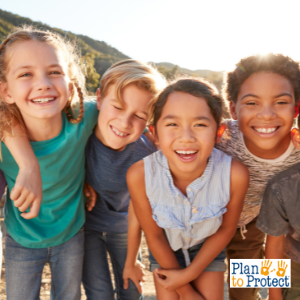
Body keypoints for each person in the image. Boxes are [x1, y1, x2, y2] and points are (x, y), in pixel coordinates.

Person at [126, 78, 249, 300]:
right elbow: (153, 235)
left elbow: (229, 230)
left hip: (245, 230)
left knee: (251, 285)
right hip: (173, 238)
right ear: (155, 132)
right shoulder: (142, 173)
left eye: (199, 125)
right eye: (173, 124)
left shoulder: (287, 153)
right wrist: (185, 289)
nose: (186, 137)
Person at [0, 26, 98, 299]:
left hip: (71, 233)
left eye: (54, 71)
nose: (43, 82)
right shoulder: (5, 135)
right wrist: (28, 164)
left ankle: (233, 286)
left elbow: (127, 111)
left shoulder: (84, 116)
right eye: (26, 74)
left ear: (70, 82)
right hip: (22, 237)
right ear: (6, 91)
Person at [215, 53, 300, 300]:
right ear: (233, 108)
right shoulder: (219, 137)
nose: (266, 114)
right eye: (252, 103)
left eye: (280, 102)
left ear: (296, 107)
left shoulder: (297, 151)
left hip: (249, 228)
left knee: (242, 295)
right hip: (204, 224)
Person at [82, 59, 166, 300]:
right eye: (118, 107)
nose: (124, 122)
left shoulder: (148, 152)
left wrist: (137, 257)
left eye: (139, 115)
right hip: (88, 227)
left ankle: (274, 291)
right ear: (99, 99)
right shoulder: (81, 135)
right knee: (100, 294)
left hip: (126, 229)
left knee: (131, 292)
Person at [256, 162, 300, 300]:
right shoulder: (281, 185)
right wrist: (275, 295)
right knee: (243, 285)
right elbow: (275, 244)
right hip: (296, 261)